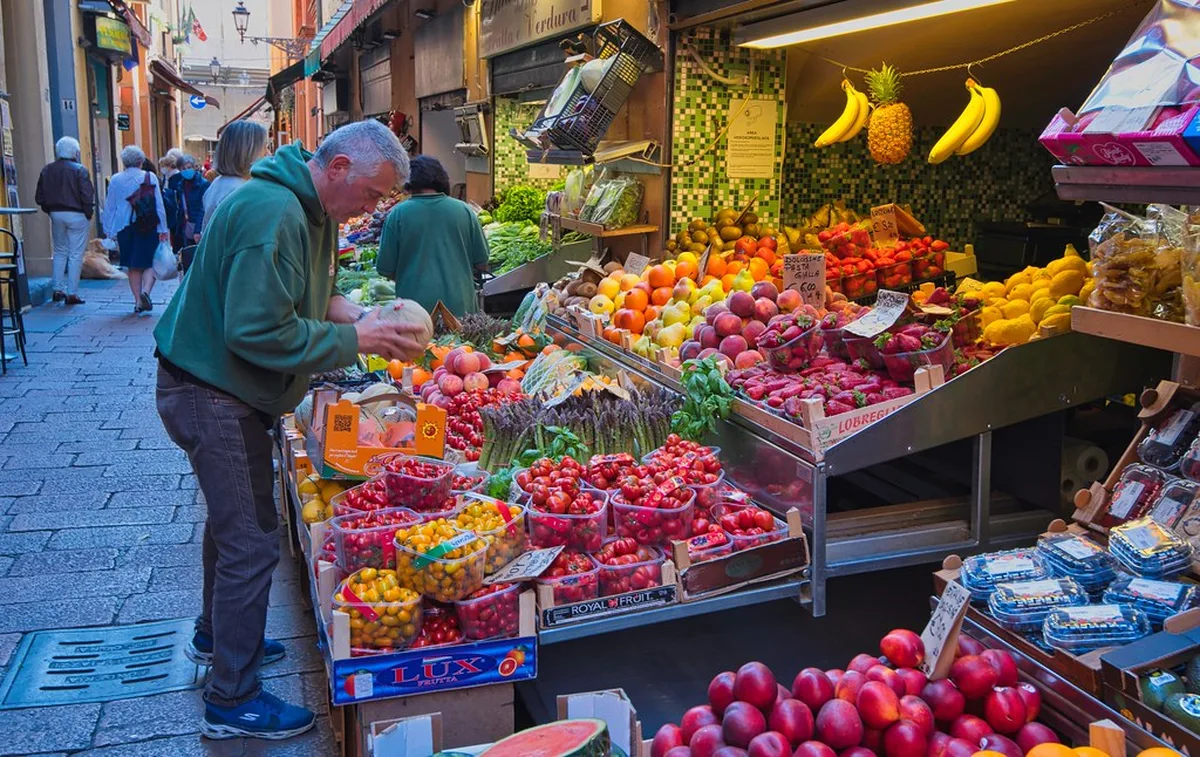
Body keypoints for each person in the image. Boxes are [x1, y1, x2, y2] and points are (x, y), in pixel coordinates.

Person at [153, 120, 427, 742]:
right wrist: (357, 338)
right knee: (252, 541)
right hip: (210, 391)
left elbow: (313, 296)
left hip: (228, 390)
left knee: (235, 526)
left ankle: (216, 635)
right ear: (336, 169)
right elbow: (252, 330)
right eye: (371, 193)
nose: (373, 208)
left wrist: (364, 315)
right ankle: (232, 698)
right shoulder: (270, 211)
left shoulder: (314, 211)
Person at [377, 155, 489, 316]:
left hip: (414, 311)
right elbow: (481, 262)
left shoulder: (398, 214)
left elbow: (385, 268)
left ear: (409, 181)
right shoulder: (465, 211)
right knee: (462, 342)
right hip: (460, 307)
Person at [100, 144, 168, 313]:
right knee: (151, 261)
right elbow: (158, 205)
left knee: (133, 265)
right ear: (141, 161)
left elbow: (110, 207)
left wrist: (108, 230)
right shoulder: (150, 177)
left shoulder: (115, 179)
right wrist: (163, 228)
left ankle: (138, 301)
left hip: (125, 227)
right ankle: (145, 292)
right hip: (148, 224)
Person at [34, 136, 95, 305]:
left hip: (56, 213)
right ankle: (72, 293)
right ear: (75, 152)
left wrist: (50, 210)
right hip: (77, 214)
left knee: (60, 251)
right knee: (75, 254)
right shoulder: (80, 170)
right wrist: (88, 213)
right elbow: (87, 194)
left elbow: (40, 196)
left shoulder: (47, 170)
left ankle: (57, 289)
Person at [202, 121, 268, 232]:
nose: (268, 153)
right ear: (248, 152)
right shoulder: (239, 190)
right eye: (264, 147)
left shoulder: (220, 183)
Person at [167, 154, 209, 250]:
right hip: (186, 225)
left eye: (189, 167)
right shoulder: (180, 185)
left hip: (198, 225)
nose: (186, 170)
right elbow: (182, 207)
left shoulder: (203, 184)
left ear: (194, 167)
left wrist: (198, 230)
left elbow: (203, 208)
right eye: (183, 168)